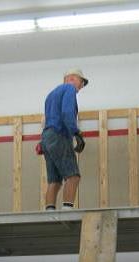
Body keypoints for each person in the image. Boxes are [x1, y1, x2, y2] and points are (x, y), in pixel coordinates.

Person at [40, 68, 88, 210]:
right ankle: (67, 212)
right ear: (72, 79)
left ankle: (49, 214)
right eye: (81, 82)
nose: (81, 87)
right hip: (59, 135)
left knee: (54, 181)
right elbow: (67, 113)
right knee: (73, 176)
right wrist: (76, 132)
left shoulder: (50, 95)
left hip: (47, 137)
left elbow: (45, 120)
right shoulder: (69, 89)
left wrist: (44, 141)